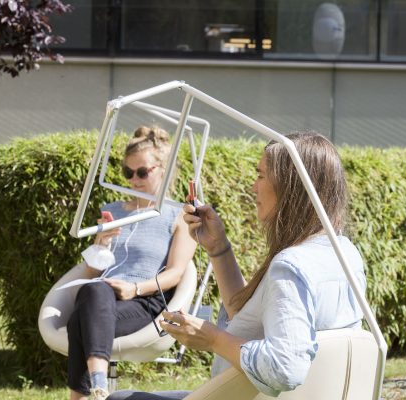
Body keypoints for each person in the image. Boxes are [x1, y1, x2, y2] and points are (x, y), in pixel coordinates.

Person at [109, 132, 367, 399]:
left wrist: (212, 338)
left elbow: (284, 367)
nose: (253, 187)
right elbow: (249, 321)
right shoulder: (344, 254)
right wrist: (218, 247)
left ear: (291, 188)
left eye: (260, 176)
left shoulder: (290, 267)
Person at [68, 126, 197, 400]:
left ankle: (88, 392)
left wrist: (134, 289)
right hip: (103, 295)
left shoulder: (178, 215)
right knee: (93, 288)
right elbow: (92, 271)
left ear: (162, 169)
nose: (134, 179)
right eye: (128, 172)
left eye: (142, 172)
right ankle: (99, 384)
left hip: (146, 301)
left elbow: (176, 273)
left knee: (79, 317)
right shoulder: (112, 211)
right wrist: (101, 243)